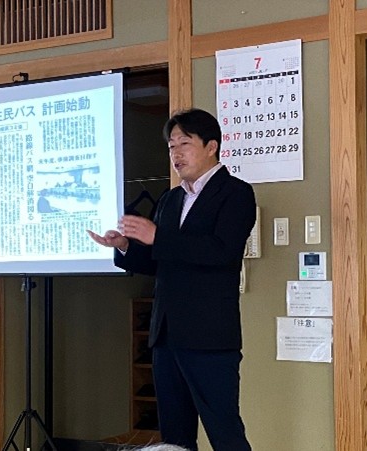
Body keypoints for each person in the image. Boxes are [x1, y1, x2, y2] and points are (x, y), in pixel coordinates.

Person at [88, 108, 255, 451]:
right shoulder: (170, 198)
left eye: (184, 143)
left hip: (209, 336)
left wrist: (158, 237)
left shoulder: (236, 193)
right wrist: (124, 247)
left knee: (225, 433)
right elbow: (158, 261)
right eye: (171, 146)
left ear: (211, 146)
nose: (176, 153)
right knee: (174, 436)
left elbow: (221, 252)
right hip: (166, 335)